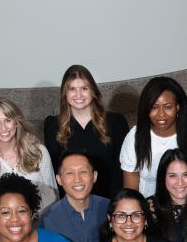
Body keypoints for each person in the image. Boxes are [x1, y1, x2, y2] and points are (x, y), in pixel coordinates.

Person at [43, 64, 130, 199]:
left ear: (93, 91)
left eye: (84, 88)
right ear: (64, 93)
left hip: (109, 200)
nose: (78, 95)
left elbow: (121, 169)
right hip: (71, 203)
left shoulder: (116, 122)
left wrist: (116, 206)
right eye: (72, 89)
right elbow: (55, 171)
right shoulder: (52, 125)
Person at [0, 97, 57, 223]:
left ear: (16, 122)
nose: (3, 128)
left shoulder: (39, 151)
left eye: (8, 120)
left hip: (40, 229)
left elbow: (53, 198)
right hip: (2, 234)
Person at [120, 76, 187, 196]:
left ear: (178, 107)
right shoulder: (135, 137)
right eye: (154, 107)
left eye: (168, 107)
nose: (161, 114)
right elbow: (131, 195)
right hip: (147, 209)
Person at [37, 151, 110, 242]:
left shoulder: (111, 208)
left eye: (83, 172)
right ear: (59, 179)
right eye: (70, 173)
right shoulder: (47, 218)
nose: (77, 180)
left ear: (94, 176)